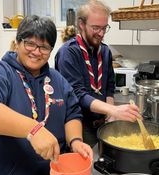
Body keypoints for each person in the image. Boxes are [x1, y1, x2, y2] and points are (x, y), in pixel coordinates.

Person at [0, 15, 92, 175]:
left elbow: (72, 113)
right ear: (18, 42)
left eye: (44, 47)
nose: (36, 51)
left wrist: (75, 141)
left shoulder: (57, 79)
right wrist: (33, 130)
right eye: (30, 43)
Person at [55, 0, 141, 147]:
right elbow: (78, 95)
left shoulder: (105, 51)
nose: (101, 33)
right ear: (81, 24)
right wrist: (113, 110)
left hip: (102, 122)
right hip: (78, 126)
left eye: (104, 28)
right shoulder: (68, 53)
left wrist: (111, 115)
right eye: (95, 28)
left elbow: (109, 86)